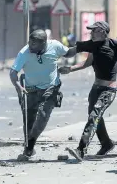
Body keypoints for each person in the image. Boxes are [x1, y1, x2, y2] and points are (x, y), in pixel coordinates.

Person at [58, 21, 117, 161]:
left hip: (109, 89)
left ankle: (81, 149)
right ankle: (106, 144)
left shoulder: (115, 45)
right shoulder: (92, 45)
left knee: (94, 115)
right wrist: (70, 68)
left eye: (93, 31)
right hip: (95, 89)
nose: (91, 33)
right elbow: (86, 61)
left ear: (102, 31)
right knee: (95, 116)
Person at [9, 29, 78, 160]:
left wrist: (80, 47)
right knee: (29, 120)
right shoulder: (24, 52)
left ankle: (30, 146)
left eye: (34, 44)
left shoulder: (55, 46)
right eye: (30, 42)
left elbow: (68, 53)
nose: (30, 46)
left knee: (42, 115)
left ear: (44, 43)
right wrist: (18, 86)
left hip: (50, 88)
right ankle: (29, 146)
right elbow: (13, 72)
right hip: (30, 89)